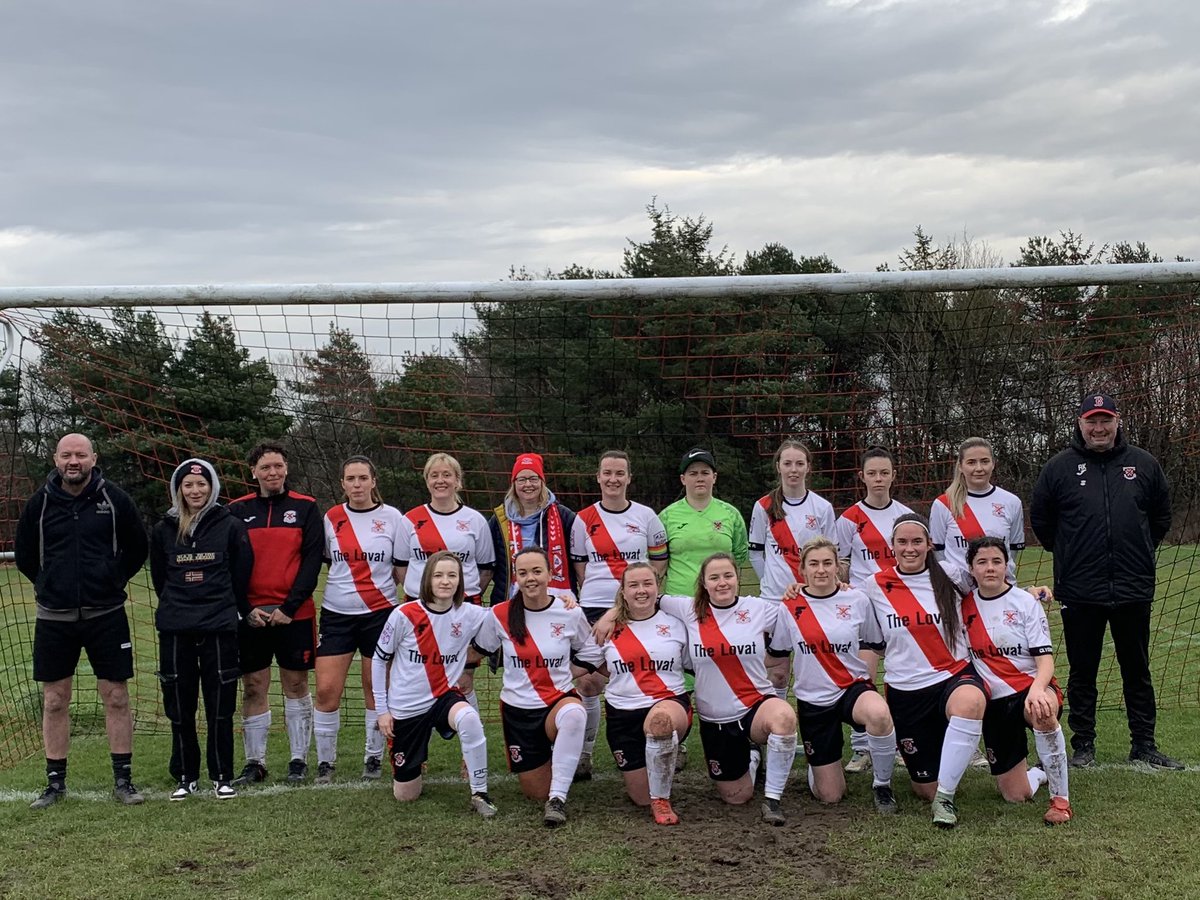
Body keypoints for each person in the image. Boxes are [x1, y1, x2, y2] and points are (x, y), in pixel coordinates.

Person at [1030, 392, 1180, 770]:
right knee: (1083, 670)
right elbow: (1043, 523)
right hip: (1081, 589)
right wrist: (1072, 554)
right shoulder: (1059, 468)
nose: (1099, 428)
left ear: (1117, 421)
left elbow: (1160, 518)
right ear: (1080, 424)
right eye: (1091, 421)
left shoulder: (1143, 464)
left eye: (1105, 420)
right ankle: (1084, 745)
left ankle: (1144, 743)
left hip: (1132, 586)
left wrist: (1138, 550)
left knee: (1137, 669)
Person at [595, 553, 799, 826]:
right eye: (714, 578)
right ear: (703, 583)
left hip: (756, 704)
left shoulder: (759, 608)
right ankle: (752, 757)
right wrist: (611, 614)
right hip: (717, 717)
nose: (722, 583)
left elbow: (800, 610)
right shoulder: (687, 609)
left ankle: (773, 801)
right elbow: (644, 596)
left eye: (728, 575)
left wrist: (810, 588)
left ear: (738, 577)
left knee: (785, 717)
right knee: (737, 797)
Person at [15, 433, 150, 809]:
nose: (73, 461)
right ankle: (55, 784)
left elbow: (138, 547)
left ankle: (123, 781)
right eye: (66, 455)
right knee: (55, 699)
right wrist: (47, 584)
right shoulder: (39, 504)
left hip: (106, 614)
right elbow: (26, 554)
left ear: (94, 457)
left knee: (116, 696)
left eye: (80, 455)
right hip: (54, 617)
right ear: (55, 459)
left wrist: (111, 580)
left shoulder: (115, 499)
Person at [858, 513, 986, 828]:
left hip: (953, 676)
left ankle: (946, 798)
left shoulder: (952, 574)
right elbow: (843, 609)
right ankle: (938, 783)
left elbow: (993, 586)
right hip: (906, 691)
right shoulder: (874, 585)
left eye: (917, 541)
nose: (910, 548)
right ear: (892, 546)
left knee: (970, 702)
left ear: (929, 544)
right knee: (923, 789)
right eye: (903, 542)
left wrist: (1032, 592)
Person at [469, 546, 604, 827]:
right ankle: (555, 764)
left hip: (557, 701)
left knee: (575, 713)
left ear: (550, 574)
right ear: (515, 578)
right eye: (523, 572)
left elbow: (591, 651)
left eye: (537, 571)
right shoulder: (500, 614)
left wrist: (567, 671)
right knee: (534, 793)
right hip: (518, 712)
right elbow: (478, 650)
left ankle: (557, 800)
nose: (530, 578)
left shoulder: (568, 612)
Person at [150, 459, 254, 800]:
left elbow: (241, 575)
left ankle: (222, 775)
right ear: (178, 489)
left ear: (212, 488)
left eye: (202, 485)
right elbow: (160, 579)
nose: (196, 491)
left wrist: (226, 609)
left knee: (220, 705)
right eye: (189, 485)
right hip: (176, 628)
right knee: (179, 707)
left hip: (219, 626)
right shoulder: (163, 528)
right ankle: (185, 775)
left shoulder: (231, 526)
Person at [772, 537, 898, 814]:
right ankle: (818, 770)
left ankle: (882, 785)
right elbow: (778, 653)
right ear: (802, 570)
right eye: (813, 564)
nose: (821, 570)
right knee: (830, 796)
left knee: (878, 713)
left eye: (827, 563)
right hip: (813, 700)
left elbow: (874, 642)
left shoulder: (856, 599)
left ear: (838, 567)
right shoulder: (789, 605)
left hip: (851, 688)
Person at [371, 551, 496, 817]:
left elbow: (510, 613)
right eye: (439, 575)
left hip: (444, 697)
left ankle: (480, 793)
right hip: (407, 706)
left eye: (452, 575)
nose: (445, 581)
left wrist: (564, 601)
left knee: (469, 718)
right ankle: (415, 762)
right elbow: (379, 661)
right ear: (427, 579)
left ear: (460, 581)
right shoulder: (403, 614)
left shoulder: (470, 614)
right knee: (406, 796)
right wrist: (383, 710)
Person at [228, 442, 324, 786]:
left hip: (293, 615)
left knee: (296, 684)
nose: (273, 473)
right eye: (265, 467)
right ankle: (255, 762)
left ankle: (298, 760)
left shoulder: (307, 508)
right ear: (253, 471)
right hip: (251, 616)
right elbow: (230, 563)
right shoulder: (236, 510)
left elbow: (312, 561)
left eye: (278, 466)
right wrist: (245, 609)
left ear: (286, 468)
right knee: (253, 686)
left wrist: (289, 607)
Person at [569, 450, 669, 780]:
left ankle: (653, 742)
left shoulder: (646, 516)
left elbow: (657, 563)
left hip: (636, 607)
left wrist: (632, 600)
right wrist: (606, 605)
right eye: (607, 473)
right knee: (588, 680)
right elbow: (581, 568)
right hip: (595, 606)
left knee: (639, 674)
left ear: (629, 478)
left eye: (620, 473)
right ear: (598, 477)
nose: (613, 479)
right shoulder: (583, 519)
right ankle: (584, 754)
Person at [313, 455, 410, 784]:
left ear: (373, 481)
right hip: (336, 615)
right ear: (342, 483)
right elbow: (329, 563)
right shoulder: (331, 518)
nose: (357, 485)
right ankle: (325, 763)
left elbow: (400, 571)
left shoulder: (392, 518)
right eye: (350, 479)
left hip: (379, 614)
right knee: (327, 690)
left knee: (375, 688)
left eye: (362, 478)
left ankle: (373, 757)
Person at [963, 536, 1072, 825]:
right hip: (994, 702)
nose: (990, 568)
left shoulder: (1025, 602)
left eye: (997, 561)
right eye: (982, 562)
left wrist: (1037, 688)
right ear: (971, 568)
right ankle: (1040, 772)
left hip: (1030, 688)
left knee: (1043, 709)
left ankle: (1061, 802)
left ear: (1006, 565)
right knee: (1016, 795)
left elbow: (1045, 660)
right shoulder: (962, 606)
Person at [834, 445, 912, 773]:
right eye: (872, 473)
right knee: (862, 675)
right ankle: (862, 746)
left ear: (893, 475)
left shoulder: (905, 516)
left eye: (884, 472)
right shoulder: (849, 519)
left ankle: (900, 741)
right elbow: (841, 564)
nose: (878, 479)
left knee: (903, 676)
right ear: (862, 476)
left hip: (899, 605)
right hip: (865, 608)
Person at [595, 563, 691, 825]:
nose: (641, 590)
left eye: (647, 584)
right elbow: (589, 666)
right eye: (633, 585)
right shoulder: (606, 628)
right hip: (622, 715)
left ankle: (662, 800)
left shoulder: (677, 624)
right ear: (623, 592)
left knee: (659, 723)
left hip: (668, 703)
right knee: (640, 797)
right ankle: (656, 783)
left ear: (658, 587)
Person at [400, 452, 495, 711]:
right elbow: (401, 566)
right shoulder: (409, 519)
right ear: (427, 480)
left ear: (457, 481)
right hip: (420, 609)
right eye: (434, 475)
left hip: (462, 607)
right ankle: (419, 738)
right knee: (419, 677)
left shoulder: (475, 520)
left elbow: (486, 568)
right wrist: (424, 597)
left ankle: (471, 745)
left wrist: (458, 597)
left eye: (446, 475)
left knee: (462, 680)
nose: (440, 480)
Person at [749, 439, 836, 699]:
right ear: (778, 467)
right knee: (777, 672)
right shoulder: (763, 506)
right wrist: (770, 583)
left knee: (814, 667)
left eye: (799, 463)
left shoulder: (822, 508)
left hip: (814, 599)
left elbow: (833, 556)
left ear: (808, 467)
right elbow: (755, 552)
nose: (793, 469)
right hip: (775, 601)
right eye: (787, 463)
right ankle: (779, 733)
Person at [488, 452, 578, 603]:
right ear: (514, 483)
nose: (528, 484)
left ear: (542, 482)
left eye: (533, 478)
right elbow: (489, 566)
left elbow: (579, 563)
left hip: (556, 600)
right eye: (522, 479)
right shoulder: (499, 519)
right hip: (511, 600)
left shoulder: (564, 517)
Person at [659, 448, 749, 597]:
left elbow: (739, 554)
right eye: (693, 473)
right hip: (679, 600)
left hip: (720, 601)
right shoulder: (666, 517)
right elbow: (658, 561)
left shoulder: (731, 514)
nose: (699, 478)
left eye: (705, 473)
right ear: (683, 479)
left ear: (714, 477)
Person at [930, 437, 1024, 579]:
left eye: (985, 461)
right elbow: (938, 553)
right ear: (961, 466)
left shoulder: (1011, 502)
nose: (979, 468)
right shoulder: (943, 504)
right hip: (959, 593)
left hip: (999, 589)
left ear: (993, 464)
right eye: (971, 462)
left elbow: (1012, 551)